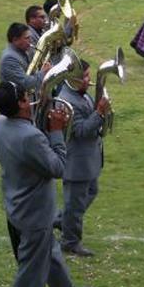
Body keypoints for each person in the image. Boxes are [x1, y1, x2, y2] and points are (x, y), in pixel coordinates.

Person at [0, 81, 94, 287]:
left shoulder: (1, 123)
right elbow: (58, 167)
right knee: (32, 267)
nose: (30, 99)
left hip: (16, 204)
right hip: (34, 212)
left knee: (50, 251)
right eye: (26, 98)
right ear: (20, 105)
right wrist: (57, 131)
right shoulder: (31, 137)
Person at [59, 60, 110, 257]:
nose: (89, 80)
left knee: (90, 192)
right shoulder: (68, 101)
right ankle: (70, 242)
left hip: (88, 160)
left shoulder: (81, 95)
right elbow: (80, 131)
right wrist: (99, 112)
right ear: (73, 78)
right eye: (86, 77)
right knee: (76, 205)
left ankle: (62, 221)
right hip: (77, 163)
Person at [0, 23, 48, 93]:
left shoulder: (21, 51)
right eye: (27, 38)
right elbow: (26, 83)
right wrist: (43, 73)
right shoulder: (9, 58)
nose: (30, 40)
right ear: (15, 40)